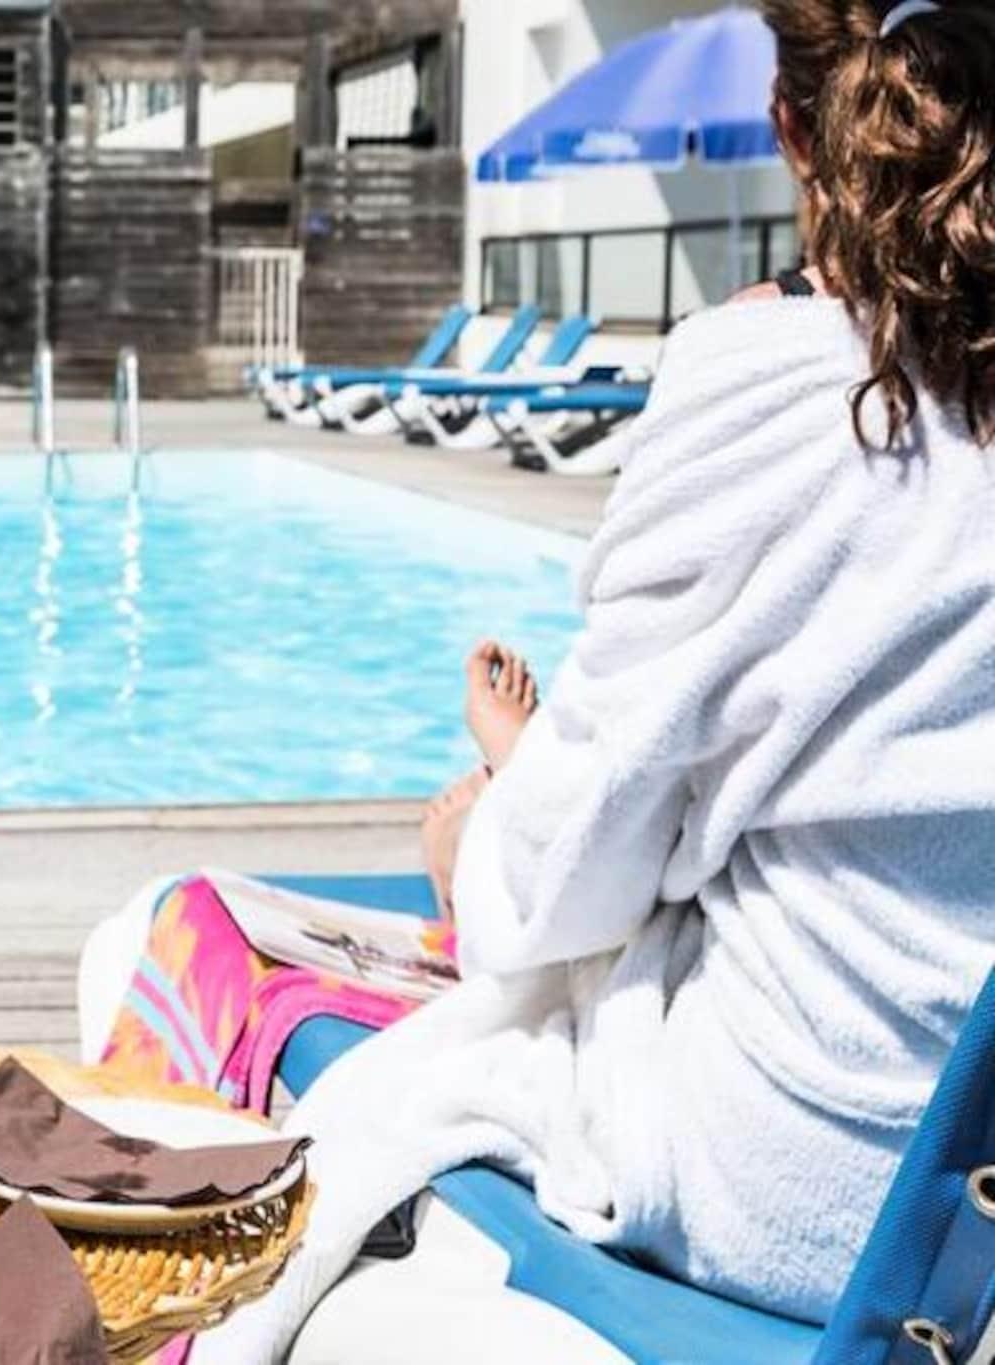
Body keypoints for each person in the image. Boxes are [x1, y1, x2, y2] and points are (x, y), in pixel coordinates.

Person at [197, 0, 995, 1354]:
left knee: (550, 871)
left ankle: (508, 790)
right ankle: (531, 781)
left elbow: (567, 898)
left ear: (794, 129)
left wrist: (479, 862)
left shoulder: (769, 395)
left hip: (824, 1190)